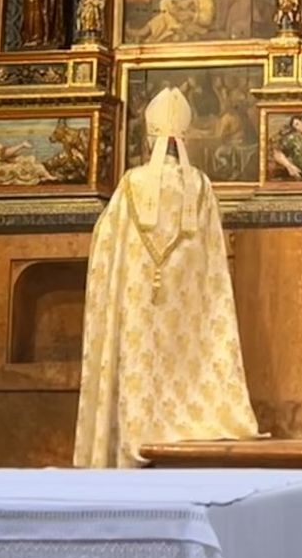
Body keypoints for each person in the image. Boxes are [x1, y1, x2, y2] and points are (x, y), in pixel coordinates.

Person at [74, 87, 258, 467]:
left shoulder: (131, 183)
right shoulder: (201, 186)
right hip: (189, 303)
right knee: (190, 356)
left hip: (137, 296)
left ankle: (135, 435)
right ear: (182, 138)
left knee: (141, 363)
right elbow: (212, 254)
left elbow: (108, 241)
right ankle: (190, 421)